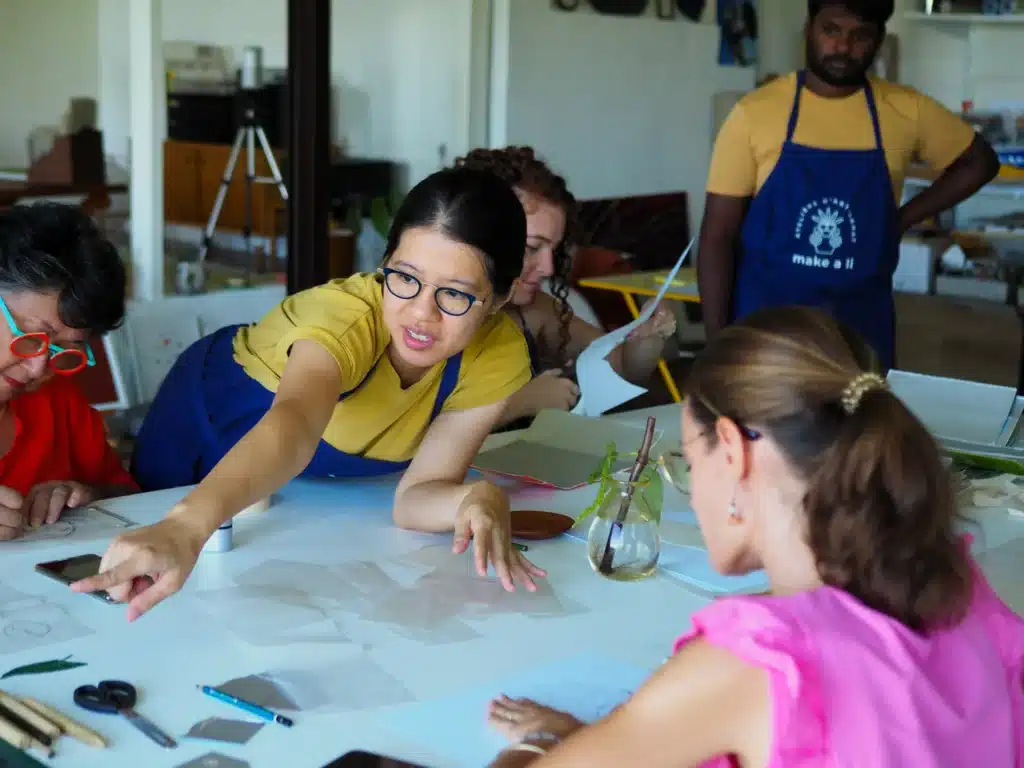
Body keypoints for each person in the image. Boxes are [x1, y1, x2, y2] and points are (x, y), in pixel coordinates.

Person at [480, 306, 1022, 767]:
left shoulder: (755, 660)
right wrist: (608, 736)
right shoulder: (957, 586)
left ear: (734, 453)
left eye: (690, 464)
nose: (693, 496)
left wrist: (531, 752)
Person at [74, 168, 546, 620]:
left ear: (500, 298)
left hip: (294, 474)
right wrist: (183, 525)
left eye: (455, 295)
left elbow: (417, 497)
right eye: (404, 278)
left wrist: (478, 498)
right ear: (383, 264)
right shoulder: (344, 318)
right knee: (137, 575)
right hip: (210, 421)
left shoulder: (497, 355)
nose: (421, 313)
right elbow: (296, 424)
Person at [696, 0, 1001, 370]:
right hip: (767, 332)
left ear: (878, 40)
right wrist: (717, 343)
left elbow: (980, 162)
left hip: (861, 335)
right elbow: (718, 235)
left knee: (862, 427)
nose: (843, 47)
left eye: (860, 35)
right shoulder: (754, 114)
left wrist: (903, 218)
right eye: (831, 30)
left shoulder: (906, 109)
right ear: (809, 28)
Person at [455, 147, 676, 427]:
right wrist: (520, 402)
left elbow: (620, 370)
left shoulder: (535, 310)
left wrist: (647, 337)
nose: (548, 268)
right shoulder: (430, 313)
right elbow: (413, 429)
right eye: (532, 247)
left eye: (554, 250)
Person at [0, 203, 136, 541]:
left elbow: (133, 499)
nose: (37, 368)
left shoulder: (58, 402)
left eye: (62, 351)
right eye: (29, 338)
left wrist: (87, 498)